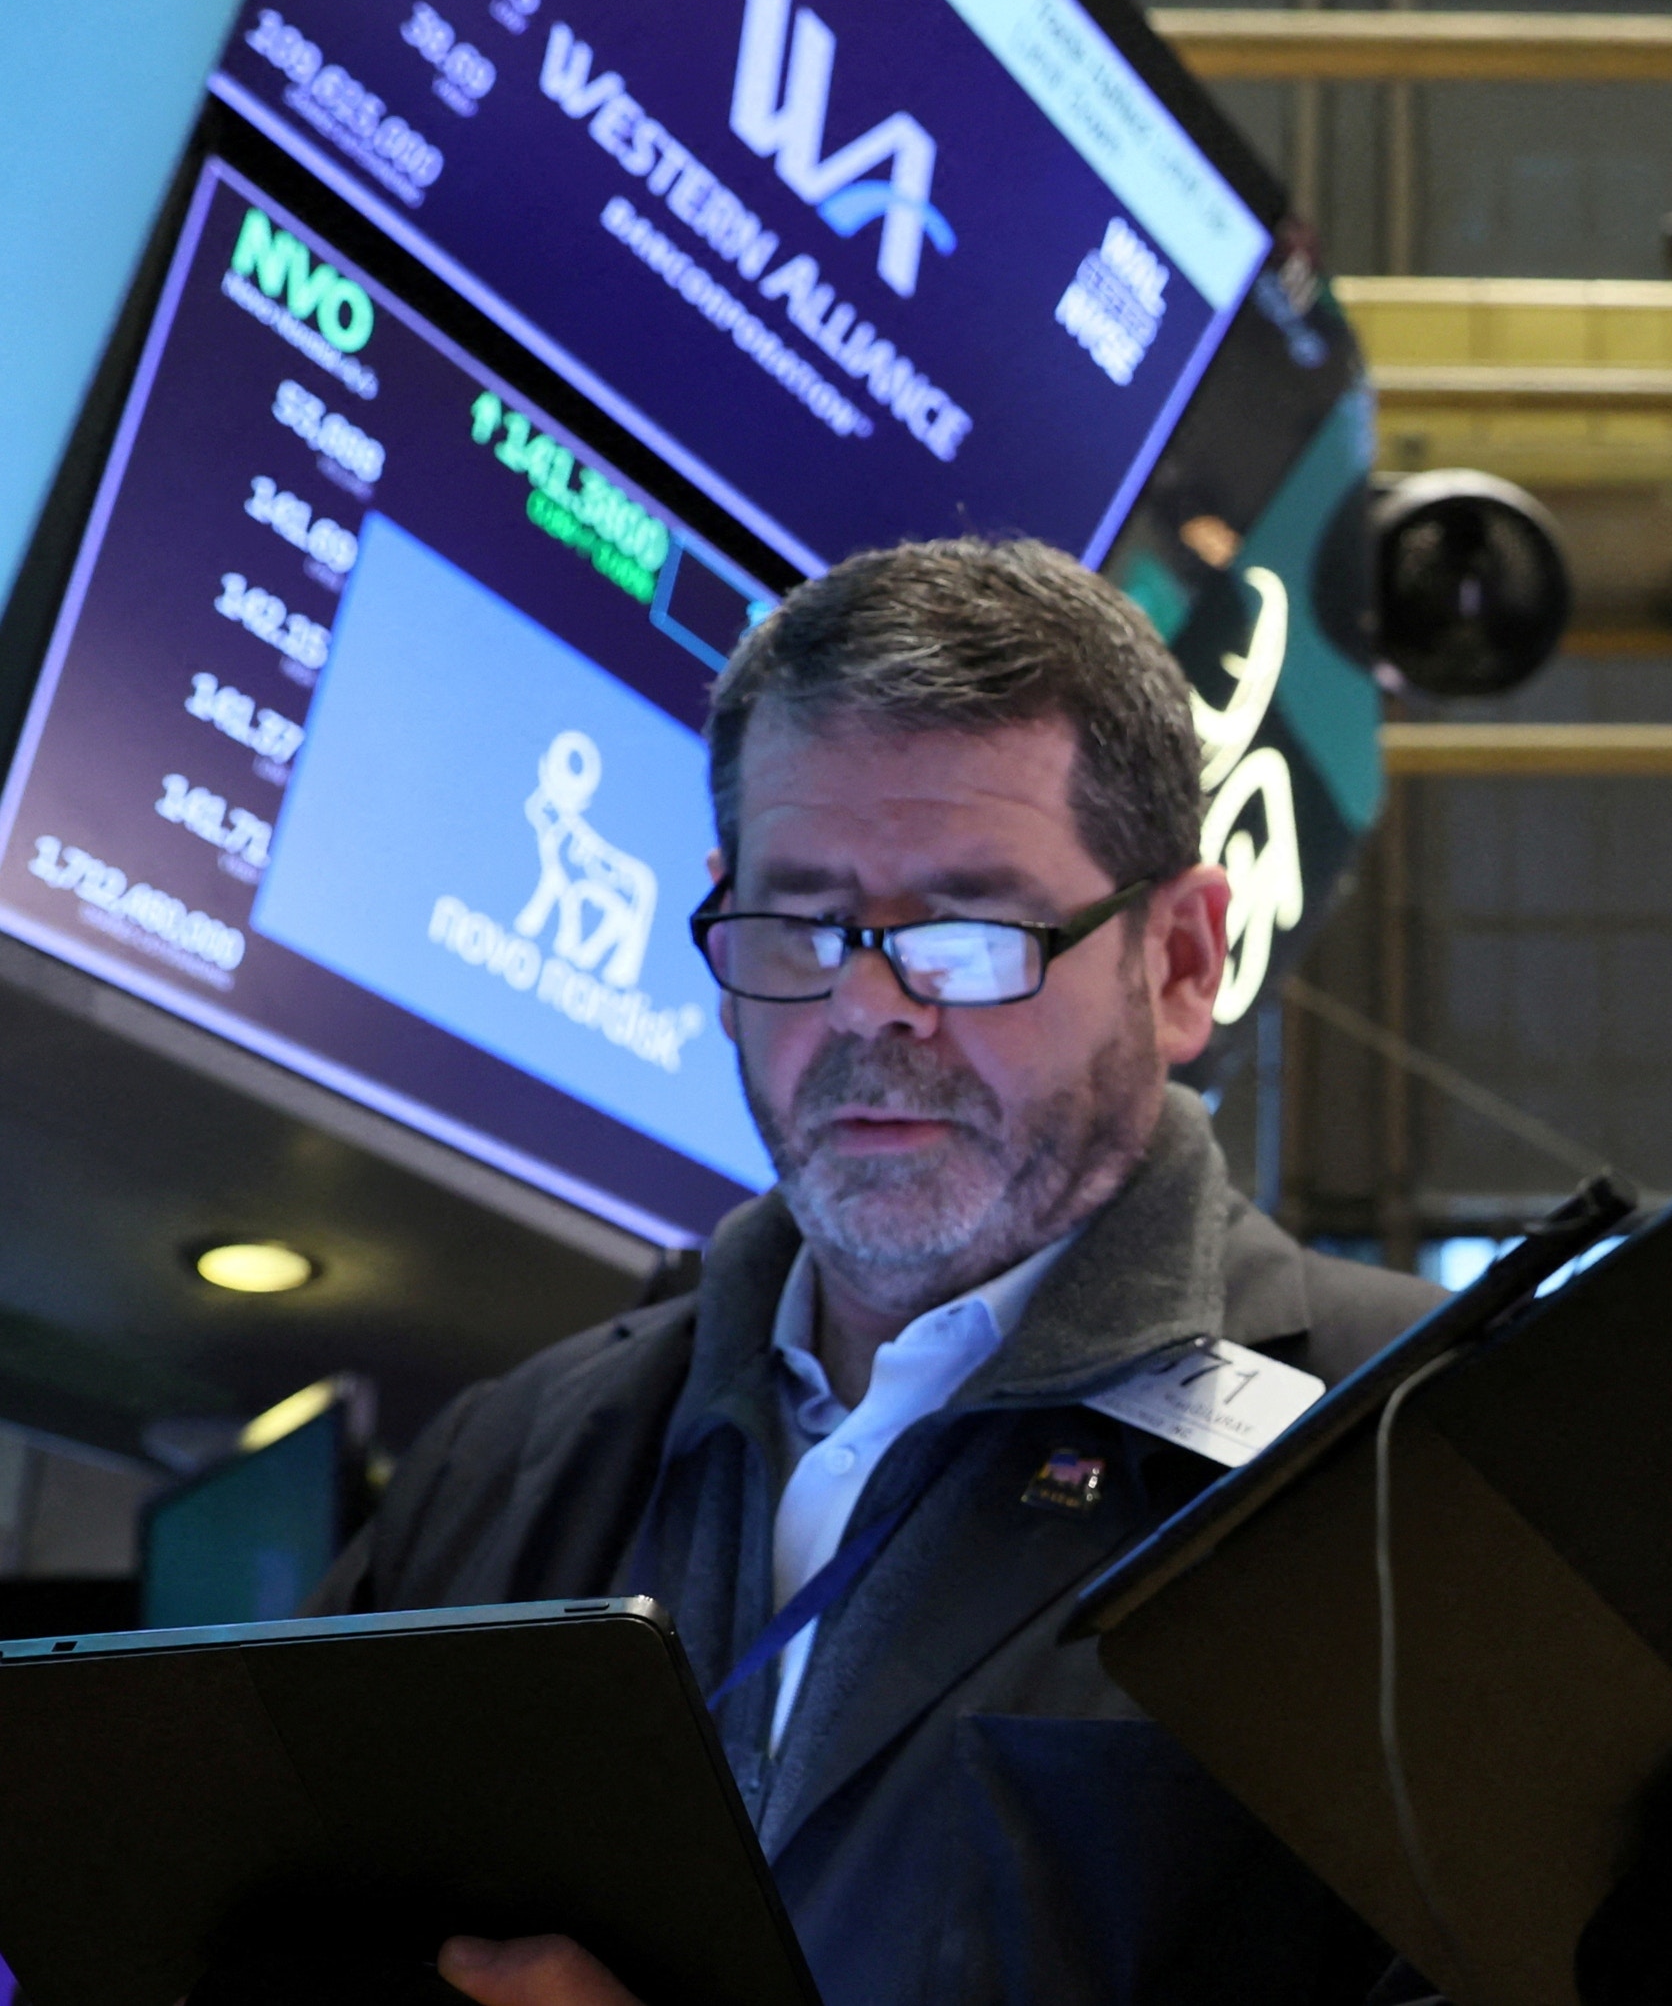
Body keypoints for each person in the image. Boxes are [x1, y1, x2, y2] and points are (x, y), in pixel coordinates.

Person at [308, 539, 1444, 2005]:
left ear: (1178, 960)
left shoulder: (1412, 1457)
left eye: (965, 934)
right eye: (799, 925)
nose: (865, 1007)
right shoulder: (508, 1461)